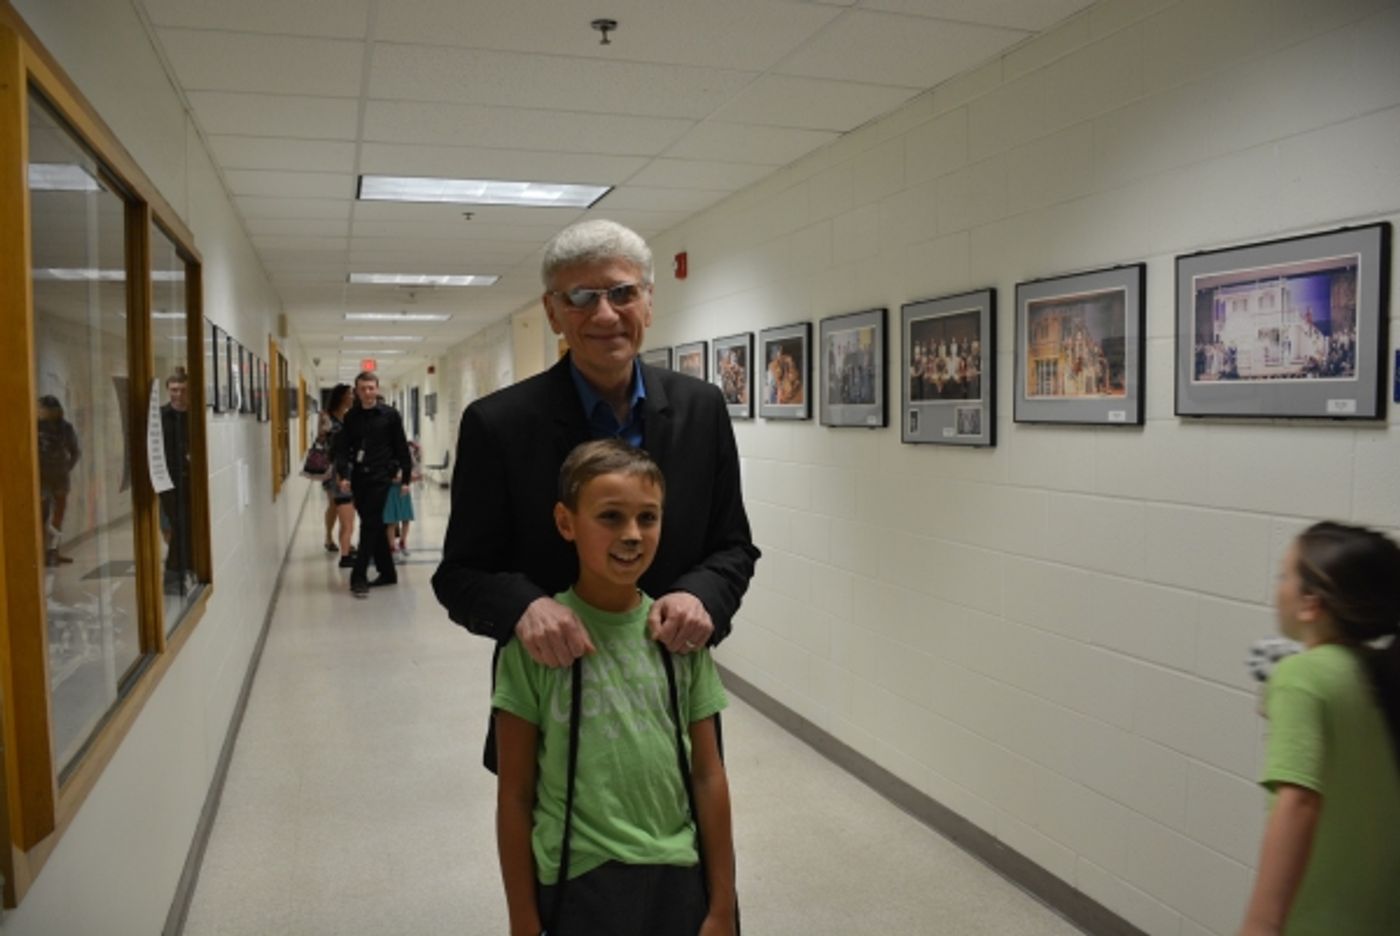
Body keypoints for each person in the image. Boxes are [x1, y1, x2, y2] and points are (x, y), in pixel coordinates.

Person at [433, 218, 759, 771]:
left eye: (623, 293)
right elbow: (460, 574)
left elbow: (732, 547)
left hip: (669, 691)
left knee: (682, 842)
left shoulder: (701, 409)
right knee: (553, 852)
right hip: (553, 696)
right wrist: (524, 607)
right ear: (553, 312)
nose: (605, 314)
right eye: (581, 296)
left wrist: (699, 596)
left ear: (648, 303)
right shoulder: (499, 425)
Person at [494, 440, 735, 936]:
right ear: (566, 523)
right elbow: (514, 794)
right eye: (610, 517)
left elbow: (709, 776)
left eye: (648, 518)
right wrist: (522, 919)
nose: (632, 535)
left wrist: (723, 904)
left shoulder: (679, 638)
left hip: (677, 872)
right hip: (577, 878)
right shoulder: (536, 646)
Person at [1238, 521, 1400, 936]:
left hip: (1316, 923)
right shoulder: (1376, 670)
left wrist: (1260, 925)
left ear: (1311, 602)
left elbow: (1299, 804)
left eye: (1284, 575)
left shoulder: (1301, 678)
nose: (1279, 587)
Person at [333, 371, 412, 598]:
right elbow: (343, 449)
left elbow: (401, 447)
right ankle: (388, 573)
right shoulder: (351, 417)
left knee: (369, 524)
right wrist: (344, 474)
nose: (367, 393)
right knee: (373, 523)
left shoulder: (390, 416)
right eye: (363, 389)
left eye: (371, 388)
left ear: (377, 389)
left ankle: (358, 577)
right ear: (357, 391)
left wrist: (405, 478)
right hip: (359, 478)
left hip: (381, 478)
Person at [160, 369, 194, 595]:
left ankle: (184, 571)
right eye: (174, 390)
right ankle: (174, 574)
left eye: (182, 390)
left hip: (192, 480)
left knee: (189, 526)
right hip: (167, 481)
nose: (178, 395)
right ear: (168, 390)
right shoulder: (159, 416)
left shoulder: (196, 416)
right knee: (178, 525)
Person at [37, 394, 81, 566]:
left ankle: (53, 552)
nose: (41, 412)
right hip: (42, 478)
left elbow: (75, 451)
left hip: (60, 478)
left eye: (44, 409)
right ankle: (42, 551)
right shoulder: (35, 427)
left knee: (58, 516)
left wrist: (66, 468)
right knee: (42, 514)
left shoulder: (66, 428)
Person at [319, 384, 357, 567]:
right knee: (334, 504)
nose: (352, 396)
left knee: (347, 505)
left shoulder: (351, 416)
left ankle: (346, 541)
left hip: (348, 466)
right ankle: (328, 537)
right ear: (341, 396)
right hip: (331, 466)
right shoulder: (327, 416)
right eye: (350, 394)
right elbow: (322, 441)